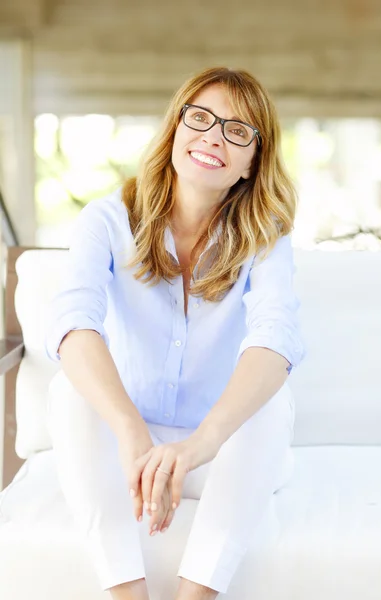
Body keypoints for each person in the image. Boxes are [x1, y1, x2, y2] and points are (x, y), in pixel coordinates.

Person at [45, 66, 305, 600]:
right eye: (201, 118)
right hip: (131, 450)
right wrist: (131, 433)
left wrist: (197, 445)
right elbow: (73, 322)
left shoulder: (267, 237)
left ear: (253, 160)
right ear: (175, 129)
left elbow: (276, 339)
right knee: (64, 391)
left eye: (238, 130)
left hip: (218, 452)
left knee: (272, 406)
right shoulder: (107, 220)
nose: (213, 136)